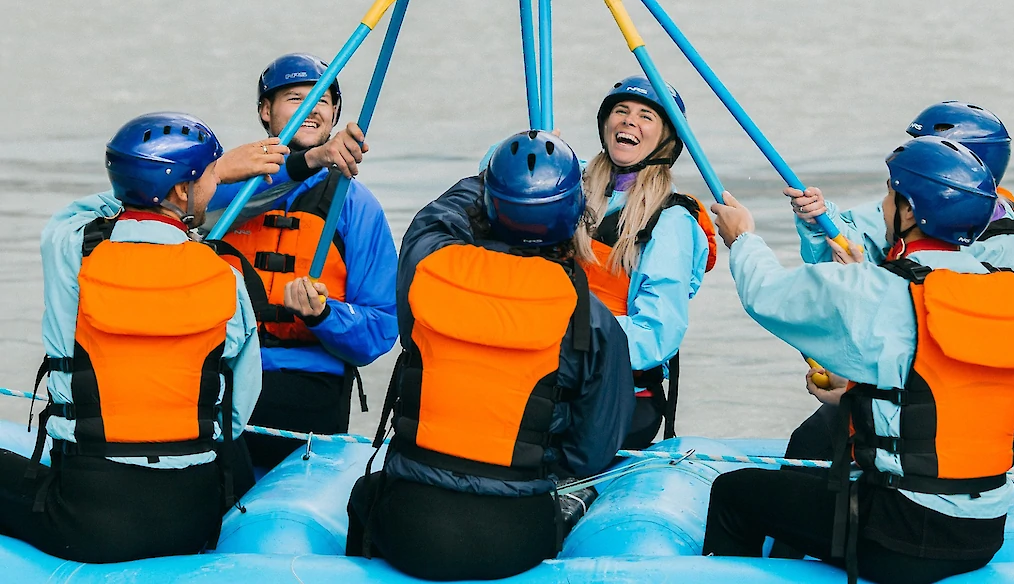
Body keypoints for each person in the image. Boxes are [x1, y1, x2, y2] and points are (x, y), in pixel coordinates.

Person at [703, 137, 1014, 584]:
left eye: (890, 196)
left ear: (910, 212)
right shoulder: (1004, 288)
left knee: (735, 494)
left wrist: (744, 240)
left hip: (900, 533)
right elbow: (931, 383)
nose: (883, 206)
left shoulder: (882, 290)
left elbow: (766, 295)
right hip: (984, 531)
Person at [347, 131, 634, 581]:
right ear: (574, 214)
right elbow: (592, 451)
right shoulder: (592, 320)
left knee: (365, 494)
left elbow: (433, 220)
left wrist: (498, 179)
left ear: (489, 202)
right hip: (515, 536)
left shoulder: (431, 270)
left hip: (411, 527)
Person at [0, 113, 279, 563]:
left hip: (90, 517)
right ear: (182, 191)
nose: (217, 180)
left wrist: (142, 186)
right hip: (193, 514)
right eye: (213, 173)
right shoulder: (224, 277)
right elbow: (237, 412)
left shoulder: (72, 249)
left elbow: (77, 213)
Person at [785, 101, 1014, 462]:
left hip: (947, 407)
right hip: (917, 388)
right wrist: (820, 217)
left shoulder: (999, 250)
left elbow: (931, 323)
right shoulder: (931, 208)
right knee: (814, 437)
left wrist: (861, 280)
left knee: (814, 442)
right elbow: (857, 233)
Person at [214, 53, 399, 469]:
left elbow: (379, 332)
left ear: (334, 116)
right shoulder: (226, 185)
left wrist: (323, 315)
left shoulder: (356, 206)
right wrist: (308, 162)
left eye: (323, 100)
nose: (312, 108)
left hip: (309, 391)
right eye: (295, 98)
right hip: (220, 380)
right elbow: (200, 205)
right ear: (265, 111)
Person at [577, 77, 716, 448]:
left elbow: (658, 333)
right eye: (620, 111)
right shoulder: (569, 189)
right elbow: (497, 170)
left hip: (618, 395)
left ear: (667, 138)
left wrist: (572, 342)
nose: (628, 121)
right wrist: (537, 144)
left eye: (645, 116)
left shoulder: (670, 222)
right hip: (558, 376)